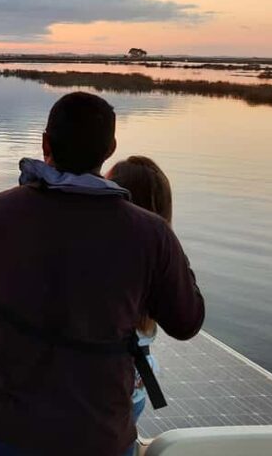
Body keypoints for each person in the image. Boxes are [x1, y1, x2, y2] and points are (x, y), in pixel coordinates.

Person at [0, 92, 204, 456]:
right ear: (110, 148)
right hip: (101, 436)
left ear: (45, 143)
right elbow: (187, 322)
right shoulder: (150, 232)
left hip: (12, 427)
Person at [107, 156, 174, 426]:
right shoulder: (160, 258)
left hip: (101, 388)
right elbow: (187, 320)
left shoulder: (105, 255)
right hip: (135, 388)